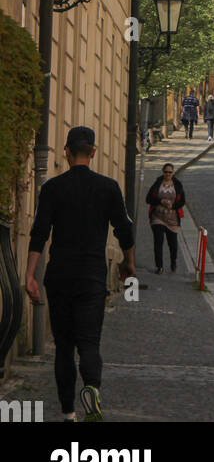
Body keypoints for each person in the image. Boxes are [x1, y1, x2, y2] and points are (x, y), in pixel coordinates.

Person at [26, 126, 135, 423]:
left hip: (60, 275)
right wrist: (129, 263)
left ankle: (68, 413)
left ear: (66, 152)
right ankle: (92, 389)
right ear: (94, 152)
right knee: (89, 342)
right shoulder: (109, 187)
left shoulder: (52, 188)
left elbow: (39, 234)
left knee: (63, 346)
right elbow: (124, 229)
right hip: (92, 276)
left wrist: (30, 274)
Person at [145, 163, 185, 274]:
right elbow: (148, 199)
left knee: (173, 244)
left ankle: (173, 261)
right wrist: (160, 201)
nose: (167, 174)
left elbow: (182, 201)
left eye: (170, 172)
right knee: (158, 241)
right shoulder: (158, 184)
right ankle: (159, 266)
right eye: (166, 172)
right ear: (163, 172)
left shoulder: (177, 185)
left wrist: (173, 205)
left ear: (173, 173)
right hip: (157, 217)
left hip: (172, 219)